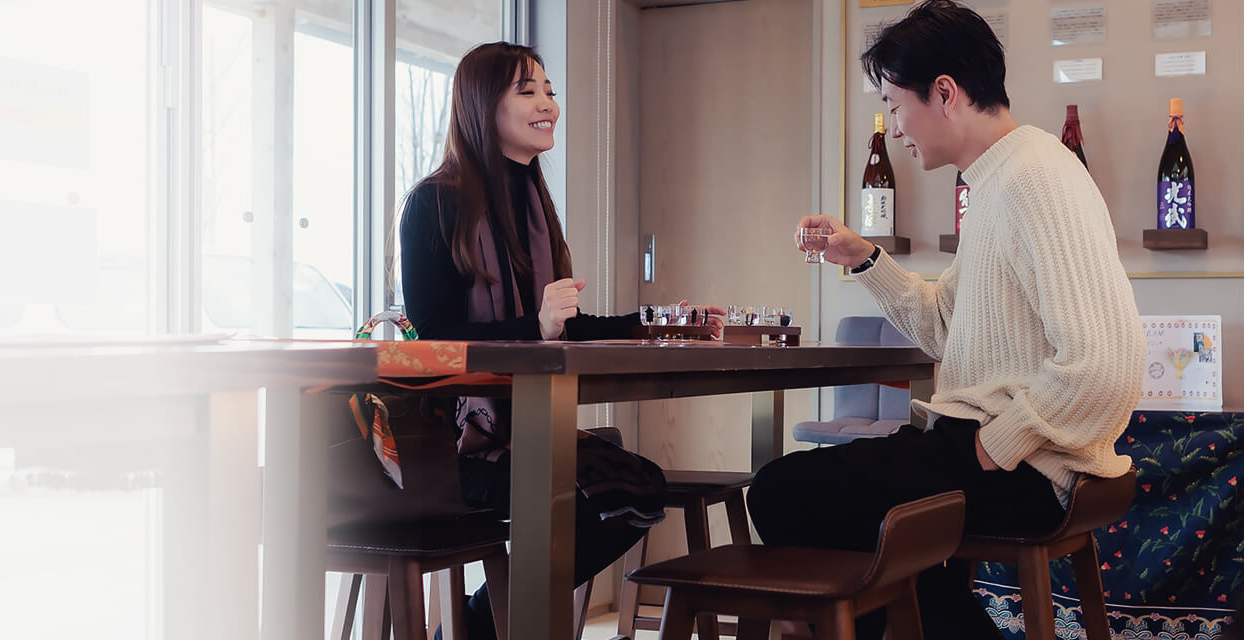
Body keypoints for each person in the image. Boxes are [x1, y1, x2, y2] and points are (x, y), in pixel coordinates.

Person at [746, 2, 1145, 639]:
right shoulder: (995, 180)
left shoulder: (1032, 179)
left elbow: (1108, 365)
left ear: (945, 93)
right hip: (989, 448)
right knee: (843, 514)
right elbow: (944, 325)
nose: (896, 127)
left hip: (1025, 465)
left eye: (896, 104)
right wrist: (863, 257)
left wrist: (998, 444)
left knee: (783, 492)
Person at [399, 41, 718, 639]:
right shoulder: (433, 203)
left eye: (549, 91)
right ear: (480, 105)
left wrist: (663, 321)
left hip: (526, 430)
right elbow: (432, 339)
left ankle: (473, 626)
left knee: (639, 488)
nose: (549, 104)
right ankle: (487, 624)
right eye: (529, 91)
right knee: (620, 491)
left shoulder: (533, 204)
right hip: (454, 445)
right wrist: (534, 327)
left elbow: (564, 327)